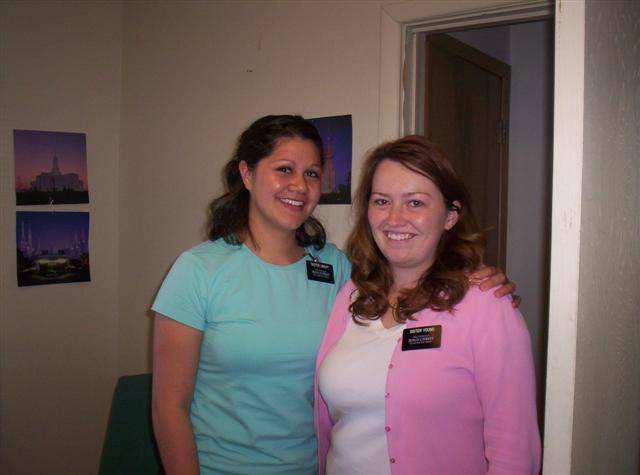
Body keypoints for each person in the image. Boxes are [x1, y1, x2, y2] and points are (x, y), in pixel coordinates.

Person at [151, 116, 517, 475]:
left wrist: (475, 281)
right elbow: (169, 406)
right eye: (284, 169)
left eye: (311, 173)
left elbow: (403, 285)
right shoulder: (199, 271)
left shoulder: (338, 270)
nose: (299, 185)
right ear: (247, 174)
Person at [315, 135, 540, 475]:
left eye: (415, 203)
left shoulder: (487, 307)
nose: (394, 218)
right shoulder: (351, 295)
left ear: (450, 216)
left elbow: (515, 453)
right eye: (381, 201)